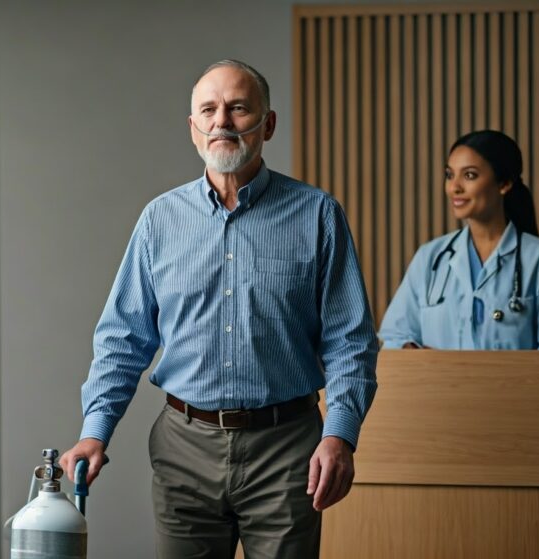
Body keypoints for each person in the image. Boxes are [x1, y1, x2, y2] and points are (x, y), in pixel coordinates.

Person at [58, 59, 378, 558]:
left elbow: (350, 340)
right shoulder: (160, 220)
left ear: (267, 123)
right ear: (193, 128)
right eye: (208, 110)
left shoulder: (318, 215)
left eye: (238, 108)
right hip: (184, 449)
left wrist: (341, 435)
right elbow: (123, 338)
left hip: (288, 450)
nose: (222, 122)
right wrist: (94, 432)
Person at [379, 130, 539, 350]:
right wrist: (415, 354)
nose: (454, 187)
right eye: (449, 175)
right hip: (439, 385)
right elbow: (395, 337)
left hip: (516, 385)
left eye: (469, 175)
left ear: (504, 183)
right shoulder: (430, 257)